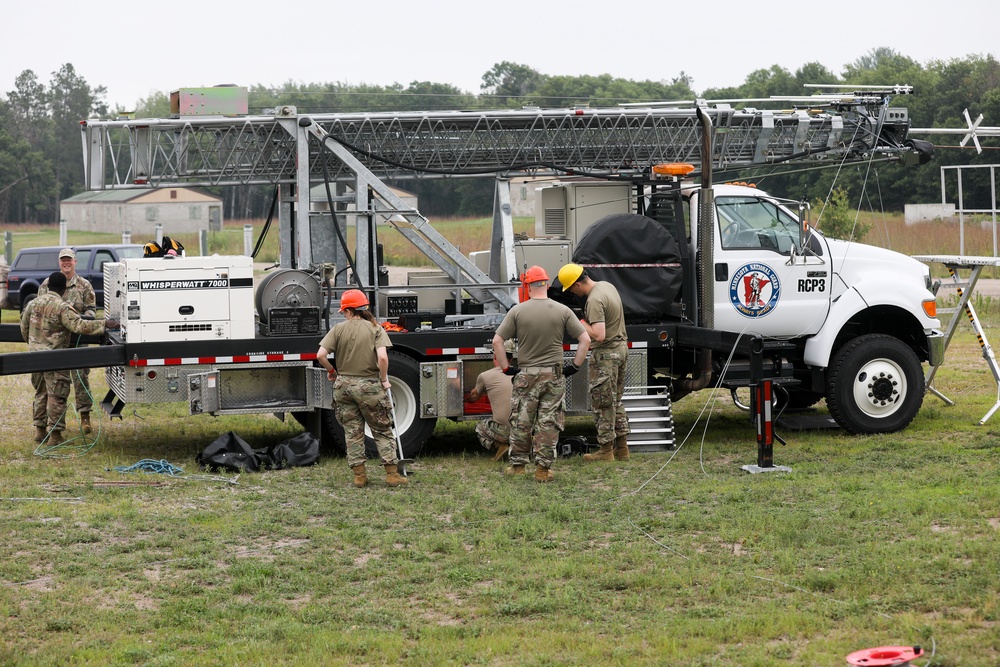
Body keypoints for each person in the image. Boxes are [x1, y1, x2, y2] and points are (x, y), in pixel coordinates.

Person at [492, 266, 590, 483]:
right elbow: (585, 340)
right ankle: (543, 470)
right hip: (554, 376)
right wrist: (574, 366)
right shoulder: (562, 310)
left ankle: (517, 467)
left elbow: (497, 341)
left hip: (526, 375)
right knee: (548, 422)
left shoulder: (518, 311)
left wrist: (507, 367)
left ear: (527, 286)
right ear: (546, 284)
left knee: (522, 420)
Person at [316, 289, 406, 488]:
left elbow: (320, 354)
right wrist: (384, 379)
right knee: (382, 429)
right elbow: (382, 357)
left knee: (352, 431)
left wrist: (332, 371)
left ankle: (360, 476)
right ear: (364, 308)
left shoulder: (338, 329)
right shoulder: (376, 329)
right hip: (369, 386)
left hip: (344, 386)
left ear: (348, 310)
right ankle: (392, 474)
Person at [21, 272, 106, 447]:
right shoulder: (62, 307)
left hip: (34, 357)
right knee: (57, 395)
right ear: (62, 289)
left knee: (40, 393)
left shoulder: (32, 304)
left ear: (48, 286)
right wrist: (105, 324)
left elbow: (24, 327)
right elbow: (80, 325)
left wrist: (33, 344)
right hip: (55, 358)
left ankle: (40, 430)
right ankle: (55, 435)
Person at [558, 263, 631, 462]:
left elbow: (598, 335)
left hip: (606, 354)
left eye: (571, 288)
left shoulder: (594, 300)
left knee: (602, 403)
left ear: (576, 284)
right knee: (615, 401)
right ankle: (622, 448)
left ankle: (606, 451)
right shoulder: (607, 286)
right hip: (621, 349)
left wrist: (581, 323)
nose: (573, 292)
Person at [38, 248, 97, 434]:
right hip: (54, 342)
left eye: (69, 260)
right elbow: (40, 308)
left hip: (77, 340)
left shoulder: (84, 285)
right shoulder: (48, 284)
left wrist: (79, 317)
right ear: (59, 262)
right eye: (63, 260)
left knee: (81, 378)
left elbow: (92, 310)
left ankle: (85, 416)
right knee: (53, 383)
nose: (66, 263)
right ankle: (48, 424)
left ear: (75, 262)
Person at [468, 339, 516, 461]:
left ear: (495, 356)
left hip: (504, 431)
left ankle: (500, 445)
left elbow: (473, 397)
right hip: (524, 429)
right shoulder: (521, 374)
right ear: (511, 359)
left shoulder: (486, 376)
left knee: (480, 427)